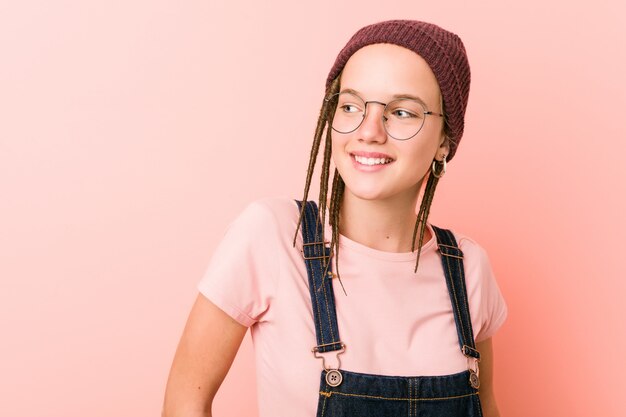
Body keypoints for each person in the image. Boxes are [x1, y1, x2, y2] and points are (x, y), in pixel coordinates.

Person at [163, 19, 508, 417]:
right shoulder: (272, 236)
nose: (369, 130)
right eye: (350, 106)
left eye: (401, 112)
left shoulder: (467, 267)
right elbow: (185, 399)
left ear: (444, 141)